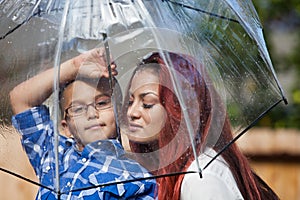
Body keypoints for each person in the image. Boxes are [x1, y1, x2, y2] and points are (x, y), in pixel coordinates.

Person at [121, 51, 280, 200]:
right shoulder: (170, 170)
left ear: (178, 110)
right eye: (130, 101)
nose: (131, 112)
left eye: (147, 103)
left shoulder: (201, 180)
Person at [9, 48, 157, 199]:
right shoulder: (54, 156)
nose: (92, 114)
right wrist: (74, 67)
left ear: (121, 114)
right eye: (78, 109)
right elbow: (20, 99)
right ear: (66, 127)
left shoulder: (136, 178)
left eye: (101, 103)